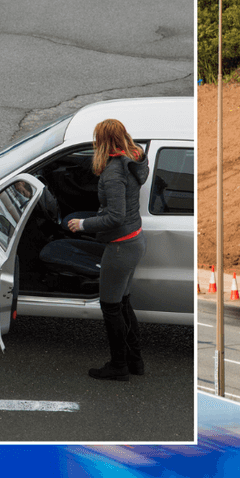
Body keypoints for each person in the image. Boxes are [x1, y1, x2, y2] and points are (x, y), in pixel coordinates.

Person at [66, 119, 149, 382]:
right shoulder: (133, 159)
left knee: (111, 306)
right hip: (134, 239)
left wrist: (83, 224)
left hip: (121, 246)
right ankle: (135, 361)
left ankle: (118, 365)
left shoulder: (114, 172)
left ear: (102, 141)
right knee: (123, 303)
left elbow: (115, 216)